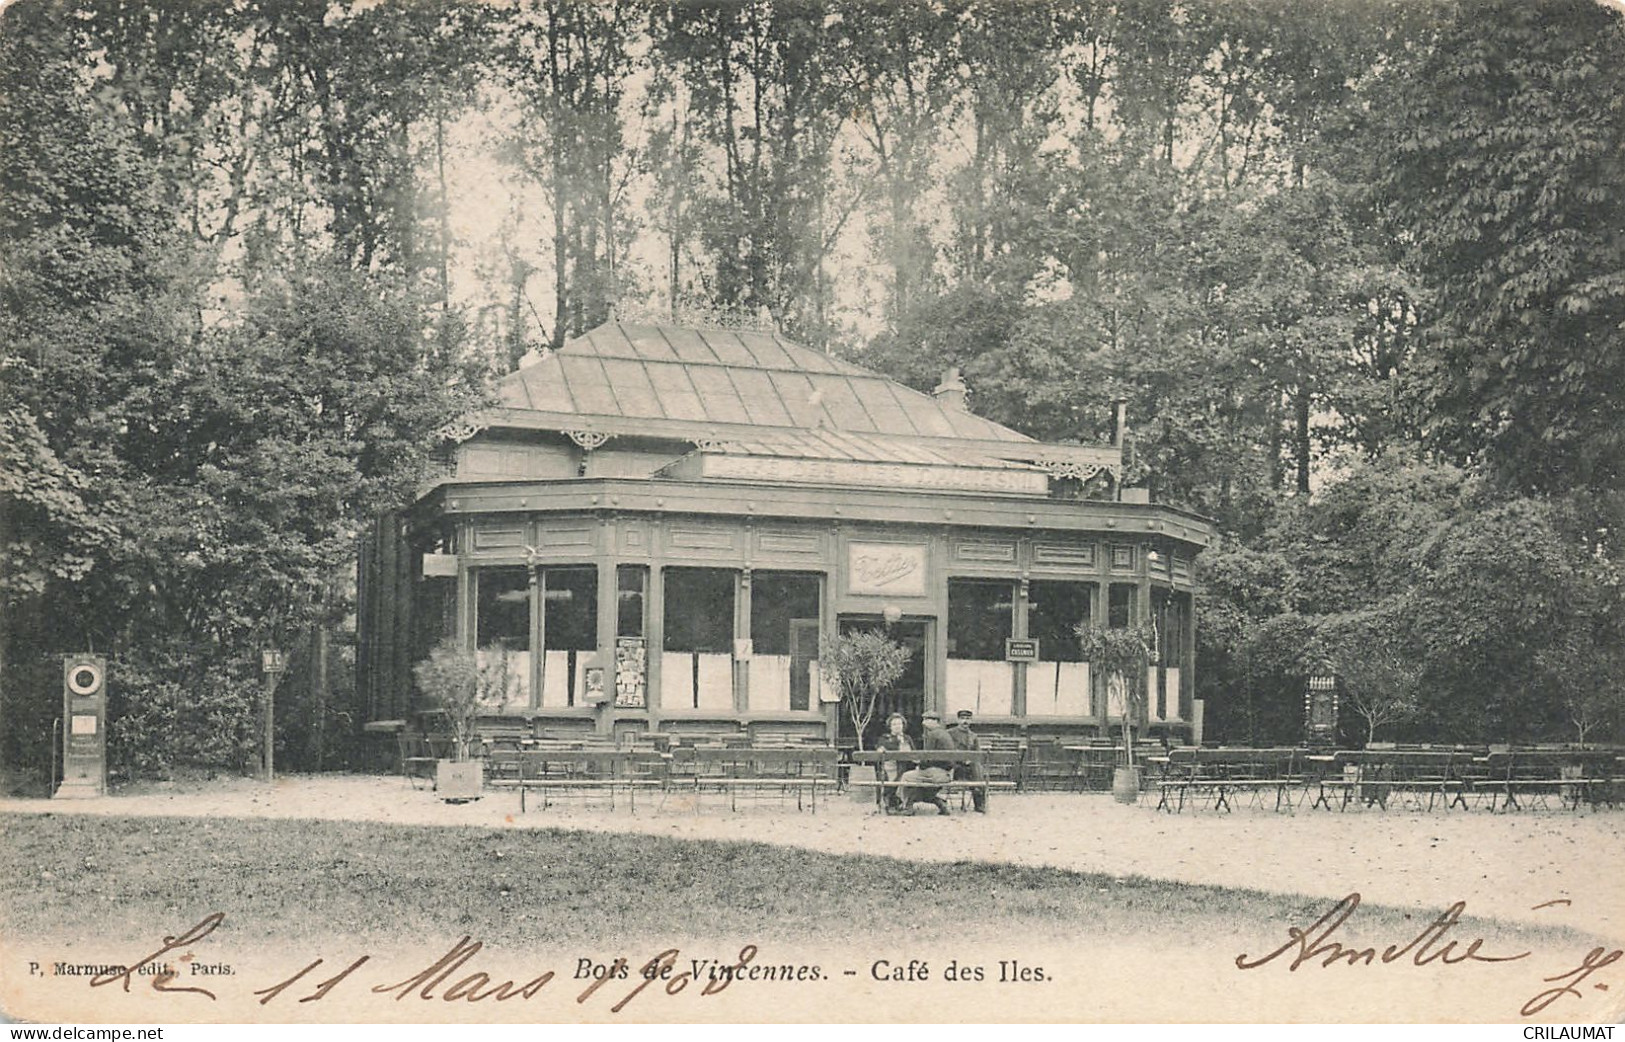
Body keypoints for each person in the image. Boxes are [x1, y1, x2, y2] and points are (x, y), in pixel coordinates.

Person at [898, 713, 954, 814]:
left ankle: (907, 807)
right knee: (921, 785)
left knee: (906, 777)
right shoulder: (944, 733)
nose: (923, 723)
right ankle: (940, 803)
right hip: (947, 773)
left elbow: (927, 757)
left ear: (935, 721)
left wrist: (918, 764)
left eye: (927, 720)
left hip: (936, 773)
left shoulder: (933, 734)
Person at [948, 709, 987, 813]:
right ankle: (980, 801)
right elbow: (948, 751)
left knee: (976, 767)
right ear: (958, 720)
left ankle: (979, 804)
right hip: (955, 767)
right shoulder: (950, 733)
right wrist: (961, 759)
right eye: (962, 718)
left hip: (969, 768)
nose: (965, 721)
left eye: (968, 719)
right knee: (976, 770)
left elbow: (978, 753)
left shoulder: (973, 736)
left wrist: (971, 760)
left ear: (971, 721)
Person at [875, 712, 915, 812]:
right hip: (891, 767)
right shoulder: (885, 738)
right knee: (891, 774)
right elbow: (880, 749)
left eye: (899, 724)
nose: (897, 726)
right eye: (894, 724)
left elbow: (913, 753)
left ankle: (904, 802)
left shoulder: (907, 738)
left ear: (903, 725)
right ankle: (891, 802)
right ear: (890, 726)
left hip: (906, 766)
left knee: (907, 774)